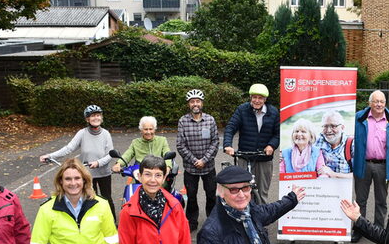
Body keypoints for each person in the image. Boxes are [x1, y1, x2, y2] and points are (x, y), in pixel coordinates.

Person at [40, 104, 116, 221]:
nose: (96, 118)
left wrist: (98, 163)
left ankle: (111, 220)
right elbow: (69, 148)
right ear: (87, 119)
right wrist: (50, 155)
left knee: (106, 198)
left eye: (98, 115)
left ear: (101, 117)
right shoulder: (82, 133)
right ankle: (90, 221)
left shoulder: (105, 134)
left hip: (103, 172)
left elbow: (110, 154)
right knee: (88, 198)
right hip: (86, 172)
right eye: (92, 116)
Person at [352, 90, 389, 242]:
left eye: (381, 101)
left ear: (385, 103)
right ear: (370, 103)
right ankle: (359, 230)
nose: (379, 104)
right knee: (361, 200)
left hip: (383, 166)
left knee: (381, 201)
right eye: (376, 101)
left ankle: (379, 230)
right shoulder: (359, 118)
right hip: (363, 165)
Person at [223, 84, 280, 204]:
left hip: (264, 157)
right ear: (250, 97)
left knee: (262, 191)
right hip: (245, 155)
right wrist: (227, 145)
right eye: (254, 97)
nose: (257, 100)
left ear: (265, 99)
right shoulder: (242, 110)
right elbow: (231, 127)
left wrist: (271, 145)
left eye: (260, 98)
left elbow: (278, 133)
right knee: (242, 189)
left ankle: (261, 216)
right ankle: (243, 215)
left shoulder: (273, 112)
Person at [176, 89, 219, 232]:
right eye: (192, 102)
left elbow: (215, 142)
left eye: (198, 101)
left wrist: (204, 160)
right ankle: (192, 222)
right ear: (189, 104)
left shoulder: (210, 120)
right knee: (191, 196)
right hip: (190, 168)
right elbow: (180, 145)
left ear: (202, 103)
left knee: (211, 194)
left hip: (208, 167)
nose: (195, 104)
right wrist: (195, 160)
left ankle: (213, 221)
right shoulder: (183, 121)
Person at [112, 116, 172, 181]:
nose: (148, 132)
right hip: (139, 173)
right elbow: (127, 154)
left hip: (157, 172)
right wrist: (118, 164)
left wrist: (168, 167)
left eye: (151, 129)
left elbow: (167, 153)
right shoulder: (135, 142)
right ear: (141, 130)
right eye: (146, 129)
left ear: (155, 129)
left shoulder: (162, 140)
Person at [315, 109, 354, 177]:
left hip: (343, 186)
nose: (329, 130)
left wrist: (333, 174)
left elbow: (359, 175)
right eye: (325, 126)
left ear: (342, 127)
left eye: (333, 126)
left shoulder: (352, 144)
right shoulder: (316, 142)